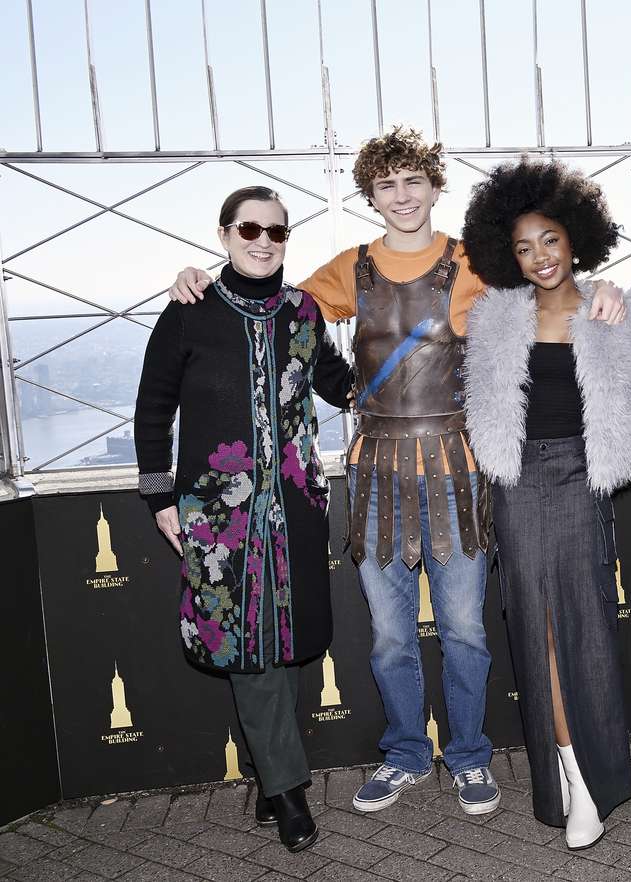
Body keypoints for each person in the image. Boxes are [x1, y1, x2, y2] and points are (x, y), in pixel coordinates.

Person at [165, 127, 626, 817]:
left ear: (436, 186)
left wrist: (604, 291)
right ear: (371, 196)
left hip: (458, 468)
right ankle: (407, 752)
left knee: (466, 629)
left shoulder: (479, 262)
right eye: (387, 184)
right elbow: (269, 301)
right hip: (376, 469)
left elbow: (550, 283)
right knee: (389, 635)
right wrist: (202, 274)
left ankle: (468, 755)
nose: (402, 195)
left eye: (414, 180)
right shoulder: (350, 268)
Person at [135, 186, 354, 853]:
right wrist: (158, 496)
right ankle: (288, 791)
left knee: (283, 645)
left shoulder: (304, 312)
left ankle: (268, 775)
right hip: (217, 515)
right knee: (249, 647)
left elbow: (341, 384)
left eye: (277, 232)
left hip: (295, 508)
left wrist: (415, 350)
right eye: (249, 229)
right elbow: (153, 406)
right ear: (225, 234)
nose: (263, 241)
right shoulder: (188, 311)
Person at [461, 160, 631, 849]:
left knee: (583, 626)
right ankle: (570, 775)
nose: (539, 257)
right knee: (539, 629)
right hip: (517, 483)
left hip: (583, 478)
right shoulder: (494, 317)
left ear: (575, 237)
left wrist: (616, 319)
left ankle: (593, 781)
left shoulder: (616, 307)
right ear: (507, 254)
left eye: (549, 239)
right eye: (523, 247)